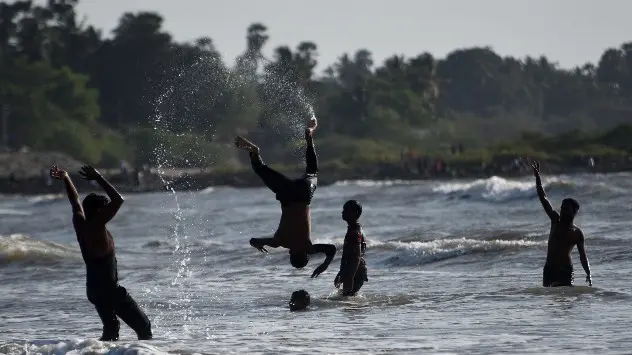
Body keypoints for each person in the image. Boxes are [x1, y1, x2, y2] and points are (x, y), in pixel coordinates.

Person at [49, 165, 152, 341]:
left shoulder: (81, 224)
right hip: (109, 290)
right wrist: (98, 177)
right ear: (99, 212)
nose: (109, 213)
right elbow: (118, 200)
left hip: (94, 290)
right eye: (105, 210)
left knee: (111, 331)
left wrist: (66, 177)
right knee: (144, 328)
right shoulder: (96, 227)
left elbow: (74, 201)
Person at [234, 118, 336, 278]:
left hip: (304, 194)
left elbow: (332, 250)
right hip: (286, 196)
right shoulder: (279, 242)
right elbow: (253, 240)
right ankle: (254, 152)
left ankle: (309, 136)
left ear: (306, 255)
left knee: (312, 172)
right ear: (290, 254)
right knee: (260, 169)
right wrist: (258, 244)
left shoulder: (309, 247)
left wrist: (324, 265)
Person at [531, 160, 592, 287]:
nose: (563, 211)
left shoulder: (577, 233)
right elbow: (543, 199)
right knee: (550, 302)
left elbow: (583, 257)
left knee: (567, 301)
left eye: (566, 209)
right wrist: (538, 179)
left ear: (574, 212)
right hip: (550, 269)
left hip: (566, 271)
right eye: (562, 208)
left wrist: (588, 273)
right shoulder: (555, 220)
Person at [334, 200, 368, 296]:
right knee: (347, 301)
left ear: (355, 213)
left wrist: (349, 277)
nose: (343, 212)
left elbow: (356, 257)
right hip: (352, 268)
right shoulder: (355, 229)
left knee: (347, 300)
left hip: (355, 270)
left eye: (346, 210)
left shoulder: (354, 232)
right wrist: (341, 272)